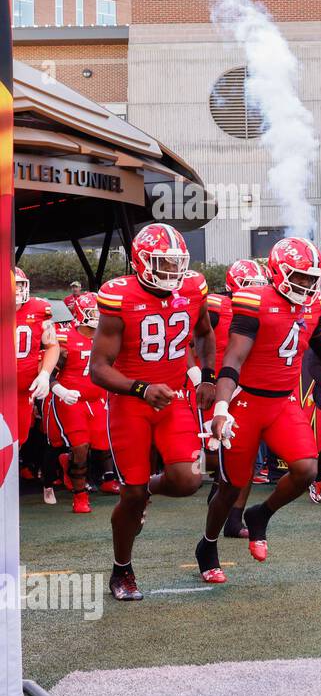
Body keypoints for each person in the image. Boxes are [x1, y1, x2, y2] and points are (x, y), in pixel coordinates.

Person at [206, 238, 321, 578]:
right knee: (231, 485)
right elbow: (234, 356)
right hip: (246, 400)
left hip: (282, 401)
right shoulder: (253, 300)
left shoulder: (312, 306)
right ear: (278, 272)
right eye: (298, 277)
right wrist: (221, 404)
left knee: (306, 470)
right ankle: (208, 543)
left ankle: (261, 515)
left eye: (309, 278)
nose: (305, 285)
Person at [90, 224, 217, 601]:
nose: (172, 273)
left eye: (176, 264)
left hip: (174, 397)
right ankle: (122, 570)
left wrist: (207, 376)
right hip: (132, 402)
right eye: (163, 264)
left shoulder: (193, 288)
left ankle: (148, 493)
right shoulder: (119, 297)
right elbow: (99, 367)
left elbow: (206, 333)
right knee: (129, 493)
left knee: (188, 480)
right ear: (141, 262)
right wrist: (142, 388)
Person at [202, 259, 268, 539]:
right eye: (250, 285)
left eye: (259, 286)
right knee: (213, 452)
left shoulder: (265, 308)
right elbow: (194, 340)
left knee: (247, 457)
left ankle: (233, 519)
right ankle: (218, 495)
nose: (256, 291)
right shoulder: (216, 305)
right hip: (218, 388)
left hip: (249, 389)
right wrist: (201, 377)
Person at [44, 292, 109, 514]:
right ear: (81, 313)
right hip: (71, 399)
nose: (99, 317)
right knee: (81, 447)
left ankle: (68, 461)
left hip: (97, 399)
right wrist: (58, 389)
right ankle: (80, 497)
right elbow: (46, 369)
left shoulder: (107, 336)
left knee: (102, 449)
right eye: (94, 312)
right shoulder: (64, 338)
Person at [12, 266, 59, 457]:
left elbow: (52, 346)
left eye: (19, 286)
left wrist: (45, 374)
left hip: (22, 392)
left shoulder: (39, 309)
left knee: (17, 441)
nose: (15, 291)